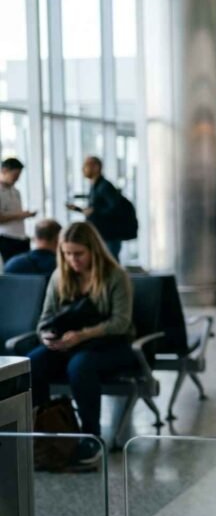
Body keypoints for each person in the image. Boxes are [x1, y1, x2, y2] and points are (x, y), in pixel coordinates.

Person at [28, 222, 135, 467]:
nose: (72, 259)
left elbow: (121, 322)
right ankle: (44, 429)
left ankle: (90, 437)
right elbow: (44, 320)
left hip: (111, 345)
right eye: (66, 253)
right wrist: (47, 336)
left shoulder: (115, 276)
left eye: (78, 254)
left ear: (93, 251)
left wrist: (83, 335)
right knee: (33, 362)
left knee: (80, 366)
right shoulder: (60, 276)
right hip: (70, 344)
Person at [67, 156, 127, 261]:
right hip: (102, 234)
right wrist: (79, 210)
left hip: (108, 235)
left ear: (96, 167)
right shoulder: (95, 186)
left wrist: (94, 211)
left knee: (110, 263)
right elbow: (96, 210)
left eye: (86, 166)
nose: (83, 169)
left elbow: (115, 209)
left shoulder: (105, 186)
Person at [0, 158, 35, 263]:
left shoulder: (16, 191)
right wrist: (21, 215)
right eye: (15, 175)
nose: (17, 178)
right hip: (6, 239)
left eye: (19, 175)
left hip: (20, 237)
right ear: (4, 171)